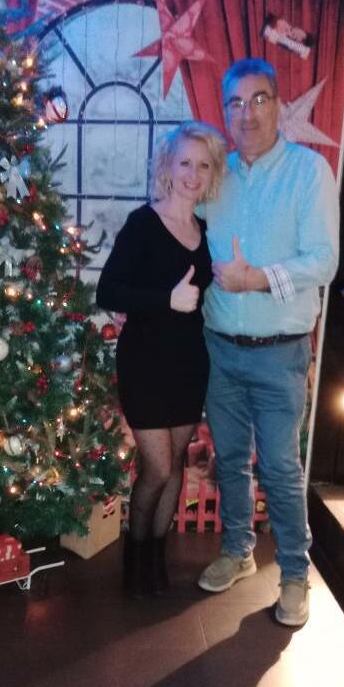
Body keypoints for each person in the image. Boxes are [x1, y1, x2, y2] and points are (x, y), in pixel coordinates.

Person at [196, 59, 339, 626]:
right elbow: (180, 234)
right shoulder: (215, 174)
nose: (247, 114)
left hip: (281, 351)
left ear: (278, 105)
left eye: (258, 100)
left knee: (279, 467)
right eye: (235, 103)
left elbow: (323, 261)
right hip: (219, 347)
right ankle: (238, 550)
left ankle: (296, 575)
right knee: (230, 458)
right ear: (225, 111)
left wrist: (256, 278)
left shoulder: (309, 171)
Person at [96, 121, 226, 597]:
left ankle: (156, 557)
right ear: (167, 167)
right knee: (158, 469)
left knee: (177, 467)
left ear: (212, 175)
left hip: (189, 364)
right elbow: (108, 290)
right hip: (145, 364)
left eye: (203, 165)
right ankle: (136, 557)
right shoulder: (143, 224)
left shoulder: (207, 231)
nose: (193, 173)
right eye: (185, 162)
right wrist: (164, 300)